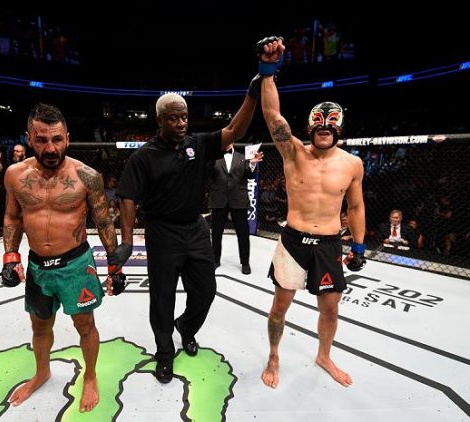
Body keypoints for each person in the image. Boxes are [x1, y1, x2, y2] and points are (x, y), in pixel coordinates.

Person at [116, 85, 260, 384]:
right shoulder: (144, 157)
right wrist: (127, 241)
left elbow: (234, 130)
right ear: (160, 121)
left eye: (184, 117)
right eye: (173, 119)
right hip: (162, 232)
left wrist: (253, 94)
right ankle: (165, 353)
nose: (181, 123)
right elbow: (127, 196)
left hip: (195, 228)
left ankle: (187, 327)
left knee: (206, 291)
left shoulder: (199, 143)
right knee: (162, 297)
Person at [1, 103, 131, 412]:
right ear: (29, 139)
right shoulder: (15, 174)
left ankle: (90, 376)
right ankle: (42, 372)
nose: (50, 147)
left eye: (56, 139)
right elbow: (11, 216)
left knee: (85, 325)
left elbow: (102, 221)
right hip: (37, 267)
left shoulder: (86, 176)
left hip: (76, 264)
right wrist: (9, 256)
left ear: (67, 138)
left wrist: (115, 265)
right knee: (40, 327)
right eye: (42, 139)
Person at [257, 36, 366, 389]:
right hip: (292, 241)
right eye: (318, 123)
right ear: (309, 127)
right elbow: (272, 115)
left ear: (338, 128)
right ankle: (274, 354)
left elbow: (356, 206)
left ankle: (324, 355)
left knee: (330, 308)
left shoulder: (352, 164)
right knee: (279, 308)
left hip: (330, 244)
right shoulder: (294, 154)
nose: (324, 128)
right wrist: (268, 70)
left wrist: (359, 246)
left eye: (330, 124)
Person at [208, 143, 263, 274]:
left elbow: (250, 175)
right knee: (216, 234)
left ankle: (245, 263)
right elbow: (208, 174)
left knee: (243, 234)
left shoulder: (243, 158)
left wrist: (252, 164)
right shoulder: (213, 157)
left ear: (232, 141)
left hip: (238, 200)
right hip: (218, 200)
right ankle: (215, 260)